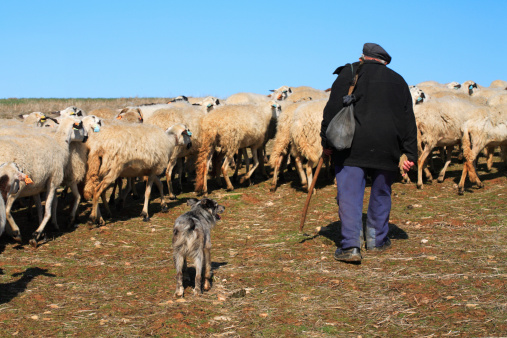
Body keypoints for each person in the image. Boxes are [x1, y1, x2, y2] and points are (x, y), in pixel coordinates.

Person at [320, 43, 417, 263]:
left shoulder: (351, 72)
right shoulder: (398, 80)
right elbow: (408, 119)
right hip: (387, 146)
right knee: (382, 193)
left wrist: (326, 141)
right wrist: (411, 154)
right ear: (384, 61)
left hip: (351, 145)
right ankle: (377, 240)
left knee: (350, 195)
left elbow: (332, 109)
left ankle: (350, 247)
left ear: (363, 57)